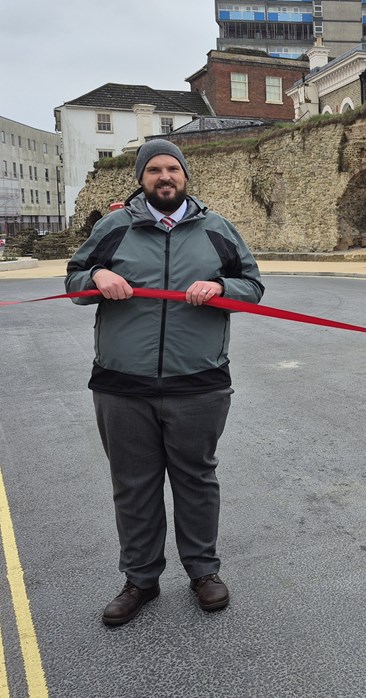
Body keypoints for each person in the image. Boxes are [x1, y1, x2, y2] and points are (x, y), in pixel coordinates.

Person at [65, 139, 265, 626]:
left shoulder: (217, 230)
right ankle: (140, 579)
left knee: (196, 480)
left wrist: (222, 287)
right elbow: (73, 281)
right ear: (141, 178)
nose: (164, 177)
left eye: (172, 168)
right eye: (153, 169)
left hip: (198, 383)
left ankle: (203, 572)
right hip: (121, 385)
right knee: (133, 486)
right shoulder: (113, 228)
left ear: (185, 176)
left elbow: (253, 287)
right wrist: (97, 276)